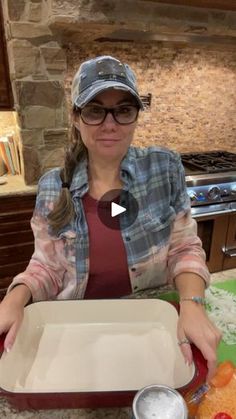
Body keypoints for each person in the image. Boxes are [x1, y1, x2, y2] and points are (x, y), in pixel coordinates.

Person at [0, 55, 221, 380]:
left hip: (153, 325)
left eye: (123, 110)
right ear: (76, 117)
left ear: (135, 116)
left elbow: (184, 249)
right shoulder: (52, 186)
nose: (110, 123)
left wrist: (192, 303)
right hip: (77, 333)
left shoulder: (164, 168)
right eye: (94, 110)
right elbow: (45, 266)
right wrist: (15, 298)